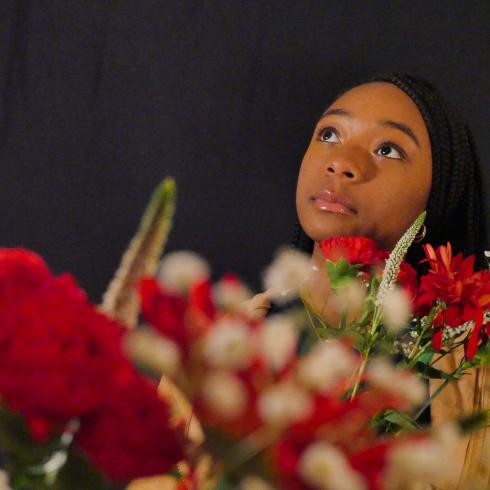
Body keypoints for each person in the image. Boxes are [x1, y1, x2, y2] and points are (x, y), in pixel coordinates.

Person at [244, 72, 488, 489]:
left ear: (438, 195)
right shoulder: (224, 341)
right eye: (329, 134)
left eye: (388, 149)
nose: (341, 162)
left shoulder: (467, 370)